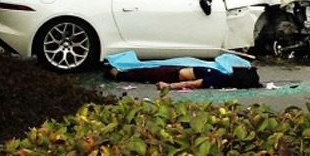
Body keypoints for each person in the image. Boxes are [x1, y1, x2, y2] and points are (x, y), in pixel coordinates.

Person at [106, 64, 262, 90]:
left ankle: (118, 75)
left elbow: (194, 84)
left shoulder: (219, 80)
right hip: (177, 71)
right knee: (146, 72)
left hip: (173, 75)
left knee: (145, 74)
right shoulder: (223, 77)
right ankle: (121, 72)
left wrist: (168, 86)